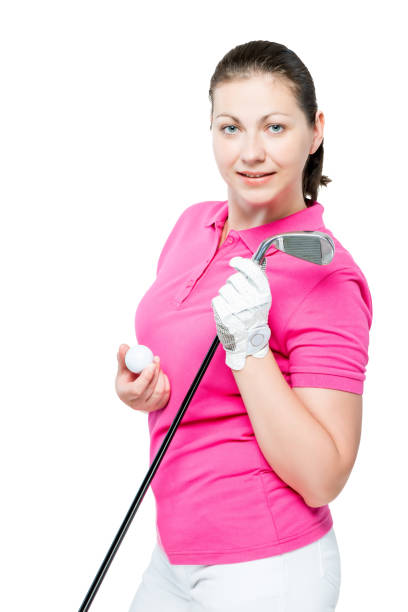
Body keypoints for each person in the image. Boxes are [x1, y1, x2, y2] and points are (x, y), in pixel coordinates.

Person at [116, 40, 373, 612]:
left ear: (316, 131)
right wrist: (144, 388)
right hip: (173, 557)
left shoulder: (326, 277)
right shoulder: (192, 225)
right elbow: (192, 375)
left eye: (275, 127)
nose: (251, 152)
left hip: (266, 569)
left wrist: (251, 348)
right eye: (231, 128)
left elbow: (323, 477)